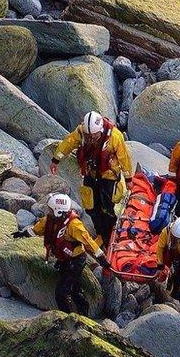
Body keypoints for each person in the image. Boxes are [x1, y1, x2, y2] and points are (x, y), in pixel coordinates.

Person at [13, 194, 111, 315]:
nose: (48, 212)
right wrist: (22, 234)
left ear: (58, 211)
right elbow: (37, 229)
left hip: (76, 261)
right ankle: (80, 311)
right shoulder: (50, 220)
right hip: (64, 258)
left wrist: (102, 259)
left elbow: (88, 242)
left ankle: (70, 316)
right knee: (74, 288)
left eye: (50, 210)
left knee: (62, 293)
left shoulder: (74, 225)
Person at [51, 111, 132, 246]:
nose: (91, 138)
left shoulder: (115, 136)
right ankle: (101, 233)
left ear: (100, 129)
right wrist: (56, 159)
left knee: (109, 206)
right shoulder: (81, 133)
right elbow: (68, 143)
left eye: (94, 135)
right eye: (89, 135)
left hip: (109, 176)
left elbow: (124, 158)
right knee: (91, 207)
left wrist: (129, 179)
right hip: (90, 174)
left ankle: (112, 233)